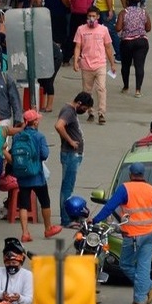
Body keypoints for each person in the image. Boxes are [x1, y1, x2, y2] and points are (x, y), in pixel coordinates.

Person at [90, 163, 152, 304]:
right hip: (149, 233)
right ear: (143, 175)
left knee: (125, 264)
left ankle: (147, 290)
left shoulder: (125, 188)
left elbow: (110, 206)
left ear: (130, 174)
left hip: (133, 235)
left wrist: (94, 220)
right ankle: (140, 298)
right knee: (143, 266)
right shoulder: (151, 189)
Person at [11, 109, 62, 242]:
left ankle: (25, 233)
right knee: (45, 201)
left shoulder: (17, 136)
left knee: (23, 204)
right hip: (37, 175)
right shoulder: (39, 137)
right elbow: (44, 155)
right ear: (35, 122)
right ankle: (48, 228)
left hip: (22, 175)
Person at [54, 92, 94, 227]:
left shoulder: (70, 111)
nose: (85, 111)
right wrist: (71, 141)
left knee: (68, 186)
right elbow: (59, 125)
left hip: (73, 154)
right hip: (70, 154)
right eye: (85, 108)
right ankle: (66, 219)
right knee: (67, 188)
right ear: (79, 104)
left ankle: (69, 217)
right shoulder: (69, 111)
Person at [73, 8, 116, 125]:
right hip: (86, 65)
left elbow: (108, 47)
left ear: (97, 17)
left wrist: (112, 63)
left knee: (101, 88)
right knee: (87, 91)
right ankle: (90, 112)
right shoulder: (81, 29)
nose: (91, 18)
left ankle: (101, 113)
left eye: (93, 16)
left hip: (100, 64)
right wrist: (76, 61)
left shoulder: (103, 30)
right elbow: (78, 46)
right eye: (89, 16)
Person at [116, 0, 152, 97]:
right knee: (139, 66)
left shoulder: (124, 12)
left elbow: (118, 28)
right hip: (142, 41)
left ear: (127, 1)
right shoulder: (143, 12)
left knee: (125, 65)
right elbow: (148, 28)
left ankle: (126, 86)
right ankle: (138, 90)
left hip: (127, 42)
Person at [38, 0, 72, 67]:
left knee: (50, 35)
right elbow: (65, 2)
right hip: (60, 14)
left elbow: (38, 0)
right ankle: (57, 55)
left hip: (47, 14)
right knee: (60, 36)